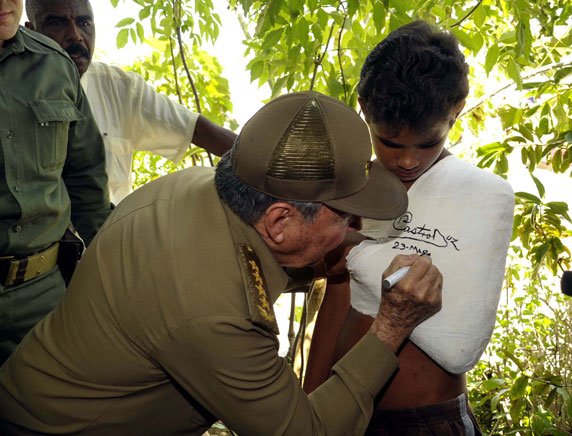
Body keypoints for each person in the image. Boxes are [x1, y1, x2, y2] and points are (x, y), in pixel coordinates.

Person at [0, 91, 444, 435]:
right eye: (344, 215)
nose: (353, 226)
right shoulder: (217, 313)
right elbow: (308, 430)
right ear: (280, 220)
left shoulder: (196, 188)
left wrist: (320, 262)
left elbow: (245, 257)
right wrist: (391, 326)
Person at [303, 21, 515, 435]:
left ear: (456, 110)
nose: (406, 161)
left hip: (425, 421)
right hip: (345, 411)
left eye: (427, 143)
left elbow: (460, 339)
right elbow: (339, 298)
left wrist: (362, 253)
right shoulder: (356, 192)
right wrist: (309, 406)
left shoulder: (478, 196)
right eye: (390, 144)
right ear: (364, 108)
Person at [24, 0, 237, 204]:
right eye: (56, 23)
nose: (75, 36)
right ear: (31, 31)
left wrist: (264, 161)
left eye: (84, 23)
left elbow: (198, 131)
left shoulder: (122, 89)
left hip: (108, 235)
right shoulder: (11, 92)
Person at [0, 0, 111, 364]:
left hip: (44, 297)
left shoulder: (55, 66)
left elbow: (86, 179)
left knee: (55, 415)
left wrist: (104, 276)